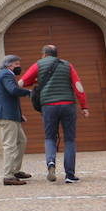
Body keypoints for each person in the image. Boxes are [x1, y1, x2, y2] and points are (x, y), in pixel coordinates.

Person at [19, 44, 90, 183]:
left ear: (44, 54)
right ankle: (70, 175)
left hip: (49, 106)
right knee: (69, 139)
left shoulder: (38, 65)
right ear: (56, 54)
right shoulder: (67, 65)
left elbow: (22, 82)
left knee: (50, 137)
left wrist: (36, 80)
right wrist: (84, 107)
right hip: (68, 105)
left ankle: (50, 163)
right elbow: (78, 86)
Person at [0, 54, 31, 185]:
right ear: (9, 65)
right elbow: (13, 91)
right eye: (17, 65)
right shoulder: (6, 75)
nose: (19, 67)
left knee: (21, 141)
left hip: (11, 115)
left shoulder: (4, 74)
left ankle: (15, 170)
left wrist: (19, 115)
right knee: (10, 145)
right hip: (6, 116)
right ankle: (8, 176)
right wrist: (29, 92)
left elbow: (10, 97)